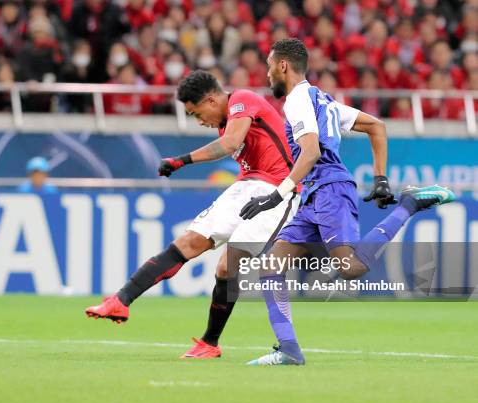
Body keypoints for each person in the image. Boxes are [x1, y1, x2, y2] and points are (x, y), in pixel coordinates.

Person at [239, 38, 455, 366]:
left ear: (283, 65)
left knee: (351, 268)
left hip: (328, 188)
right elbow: (375, 126)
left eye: (270, 66)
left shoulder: (298, 100)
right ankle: (289, 350)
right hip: (314, 193)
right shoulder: (321, 99)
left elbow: (310, 152)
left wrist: (277, 194)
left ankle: (410, 204)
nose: (268, 73)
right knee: (270, 266)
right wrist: (380, 178)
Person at [86, 70, 301, 359]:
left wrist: (180, 161)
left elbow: (229, 144)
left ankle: (214, 342)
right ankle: (121, 299)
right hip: (245, 186)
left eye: (196, 112)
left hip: (278, 190)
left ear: (212, 100)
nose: (199, 120)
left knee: (227, 267)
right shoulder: (225, 124)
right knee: (189, 241)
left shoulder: (242, 99)